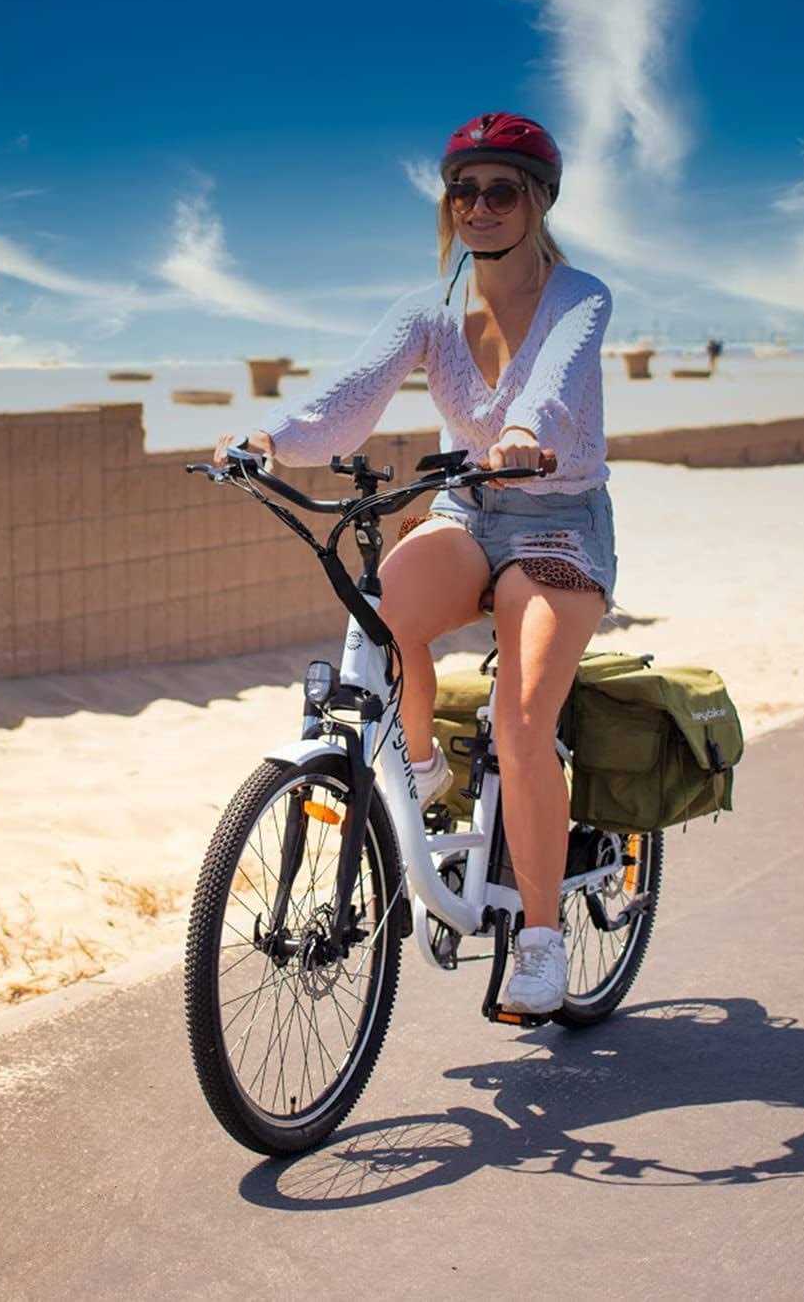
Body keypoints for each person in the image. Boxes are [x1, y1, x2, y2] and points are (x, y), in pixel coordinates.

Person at [213, 111, 616, 1014]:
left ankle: (541, 941)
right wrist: (269, 439)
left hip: (557, 527)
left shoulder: (581, 296)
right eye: (463, 191)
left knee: (521, 718)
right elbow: (351, 393)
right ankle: (422, 765)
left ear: (539, 200)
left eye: (501, 190)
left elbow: (555, 383)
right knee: (379, 616)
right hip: (469, 508)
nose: (479, 207)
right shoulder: (429, 311)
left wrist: (522, 432)